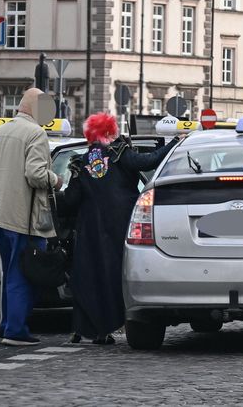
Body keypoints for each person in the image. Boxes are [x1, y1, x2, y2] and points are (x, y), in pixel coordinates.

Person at [63, 113, 180, 345]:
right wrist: (173, 144)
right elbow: (148, 162)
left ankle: (84, 329)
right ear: (109, 133)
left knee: (89, 275)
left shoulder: (81, 161)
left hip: (90, 228)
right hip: (119, 223)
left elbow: (71, 199)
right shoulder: (119, 154)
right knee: (115, 274)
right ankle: (109, 328)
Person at [0, 87, 62, 346]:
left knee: (1, 273)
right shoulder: (35, 133)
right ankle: (15, 329)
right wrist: (56, 180)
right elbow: (35, 174)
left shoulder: (0, 131)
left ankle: (1, 326)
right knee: (22, 274)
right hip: (24, 218)